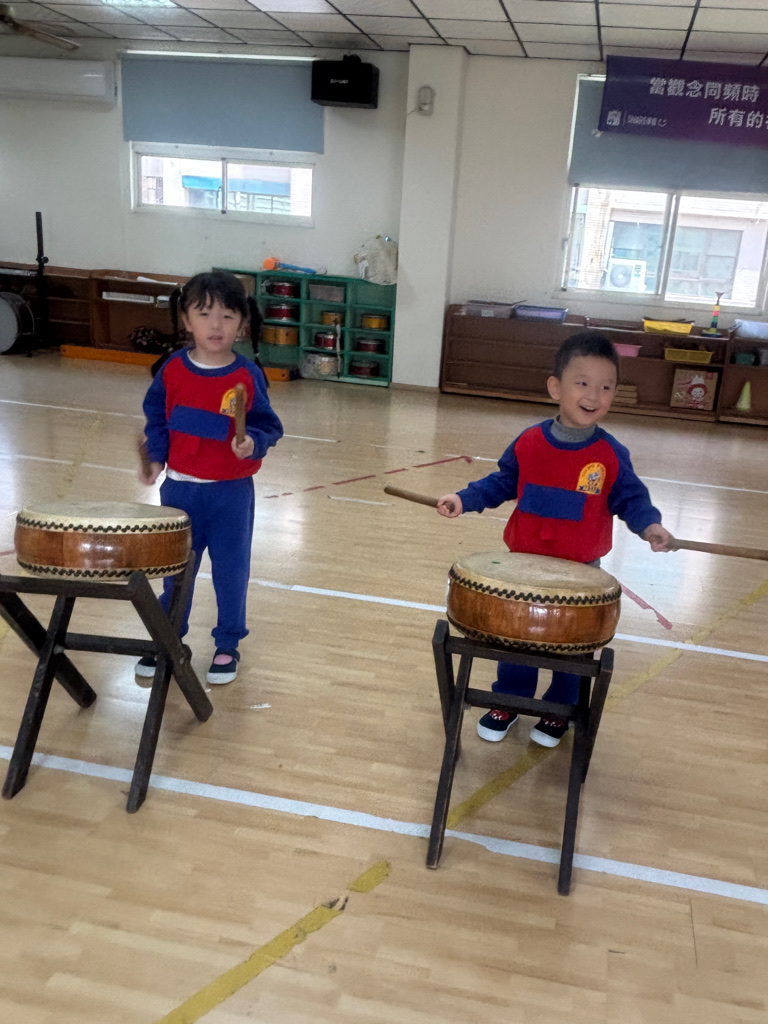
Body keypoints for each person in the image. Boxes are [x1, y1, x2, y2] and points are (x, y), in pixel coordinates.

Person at [436, 330, 672, 747]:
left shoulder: (611, 454)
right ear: (555, 387)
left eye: (606, 387)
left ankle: (558, 710)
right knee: (516, 639)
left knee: (572, 649)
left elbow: (631, 498)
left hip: (580, 574)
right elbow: (501, 482)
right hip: (522, 568)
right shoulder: (529, 442)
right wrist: (463, 499)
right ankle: (508, 699)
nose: (594, 395)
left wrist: (649, 525)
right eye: (582, 383)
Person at [137, 271, 284, 684]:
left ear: (243, 323)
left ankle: (228, 643)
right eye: (204, 314)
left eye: (227, 315)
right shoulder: (171, 370)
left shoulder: (247, 376)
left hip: (231, 495)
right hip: (179, 492)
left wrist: (253, 442)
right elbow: (157, 419)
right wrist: (156, 457)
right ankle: (169, 638)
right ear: (186, 320)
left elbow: (269, 425)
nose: (216, 325)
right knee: (175, 573)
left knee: (230, 573)